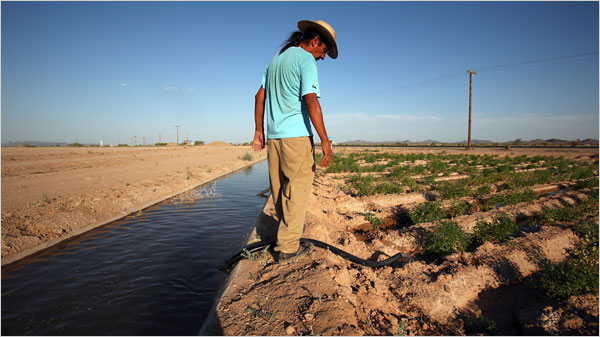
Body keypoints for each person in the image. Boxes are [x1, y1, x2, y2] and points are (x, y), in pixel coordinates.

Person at [252, 20, 337, 263]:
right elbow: (311, 100)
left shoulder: (276, 61)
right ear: (315, 42)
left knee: (280, 192)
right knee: (297, 192)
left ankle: (285, 236)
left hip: (275, 139)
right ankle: (288, 248)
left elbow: (259, 96)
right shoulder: (305, 59)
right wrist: (325, 141)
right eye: (323, 52)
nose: (322, 58)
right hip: (296, 137)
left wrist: (259, 131)